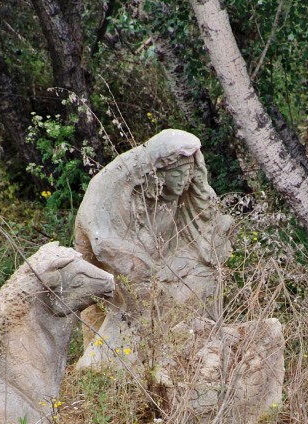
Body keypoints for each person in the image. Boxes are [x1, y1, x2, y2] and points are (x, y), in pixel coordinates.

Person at [74, 129, 233, 369]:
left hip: (164, 266)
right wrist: (144, 267)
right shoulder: (113, 190)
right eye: (177, 174)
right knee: (139, 302)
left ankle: (189, 349)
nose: (183, 181)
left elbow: (201, 226)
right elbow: (101, 238)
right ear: (158, 173)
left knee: (205, 278)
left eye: (188, 174)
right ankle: (107, 364)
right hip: (120, 269)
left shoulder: (181, 198)